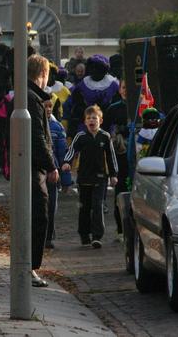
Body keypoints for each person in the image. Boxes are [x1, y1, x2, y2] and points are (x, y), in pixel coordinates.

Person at [62, 105, 118, 248]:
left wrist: (113, 174)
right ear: (85, 122)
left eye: (94, 118)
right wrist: (67, 162)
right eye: (88, 118)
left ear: (101, 120)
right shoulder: (81, 136)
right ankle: (84, 234)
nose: (91, 121)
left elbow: (111, 157)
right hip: (84, 177)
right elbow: (72, 150)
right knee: (84, 207)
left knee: (98, 205)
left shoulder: (105, 137)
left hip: (100, 177)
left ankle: (97, 236)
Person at [25, 54, 60, 286]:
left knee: (34, 216)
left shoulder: (29, 96)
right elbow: (38, 138)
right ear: (44, 74)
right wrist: (51, 165)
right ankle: (29, 268)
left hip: (29, 165)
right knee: (38, 216)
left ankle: (27, 266)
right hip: (33, 167)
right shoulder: (32, 99)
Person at [102, 78, 130, 238]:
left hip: (139, 153)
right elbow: (104, 129)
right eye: (123, 87)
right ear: (119, 90)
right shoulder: (114, 108)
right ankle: (120, 228)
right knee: (120, 189)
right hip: (121, 153)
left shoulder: (143, 106)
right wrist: (114, 139)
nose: (125, 90)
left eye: (128, 88)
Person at [43, 94, 72, 249]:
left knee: (51, 206)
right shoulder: (32, 124)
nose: (48, 109)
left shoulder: (57, 127)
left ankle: (48, 236)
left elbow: (62, 154)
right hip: (38, 173)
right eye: (45, 106)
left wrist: (66, 179)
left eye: (50, 106)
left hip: (52, 175)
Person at [68, 55, 119, 138]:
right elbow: (75, 107)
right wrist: (90, 110)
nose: (93, 71)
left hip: (108, 126)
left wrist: (104, 108)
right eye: (91, 68)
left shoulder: (113, 85)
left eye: (96, 69)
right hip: (85, 126)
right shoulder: (82, 86)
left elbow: (118, 106)